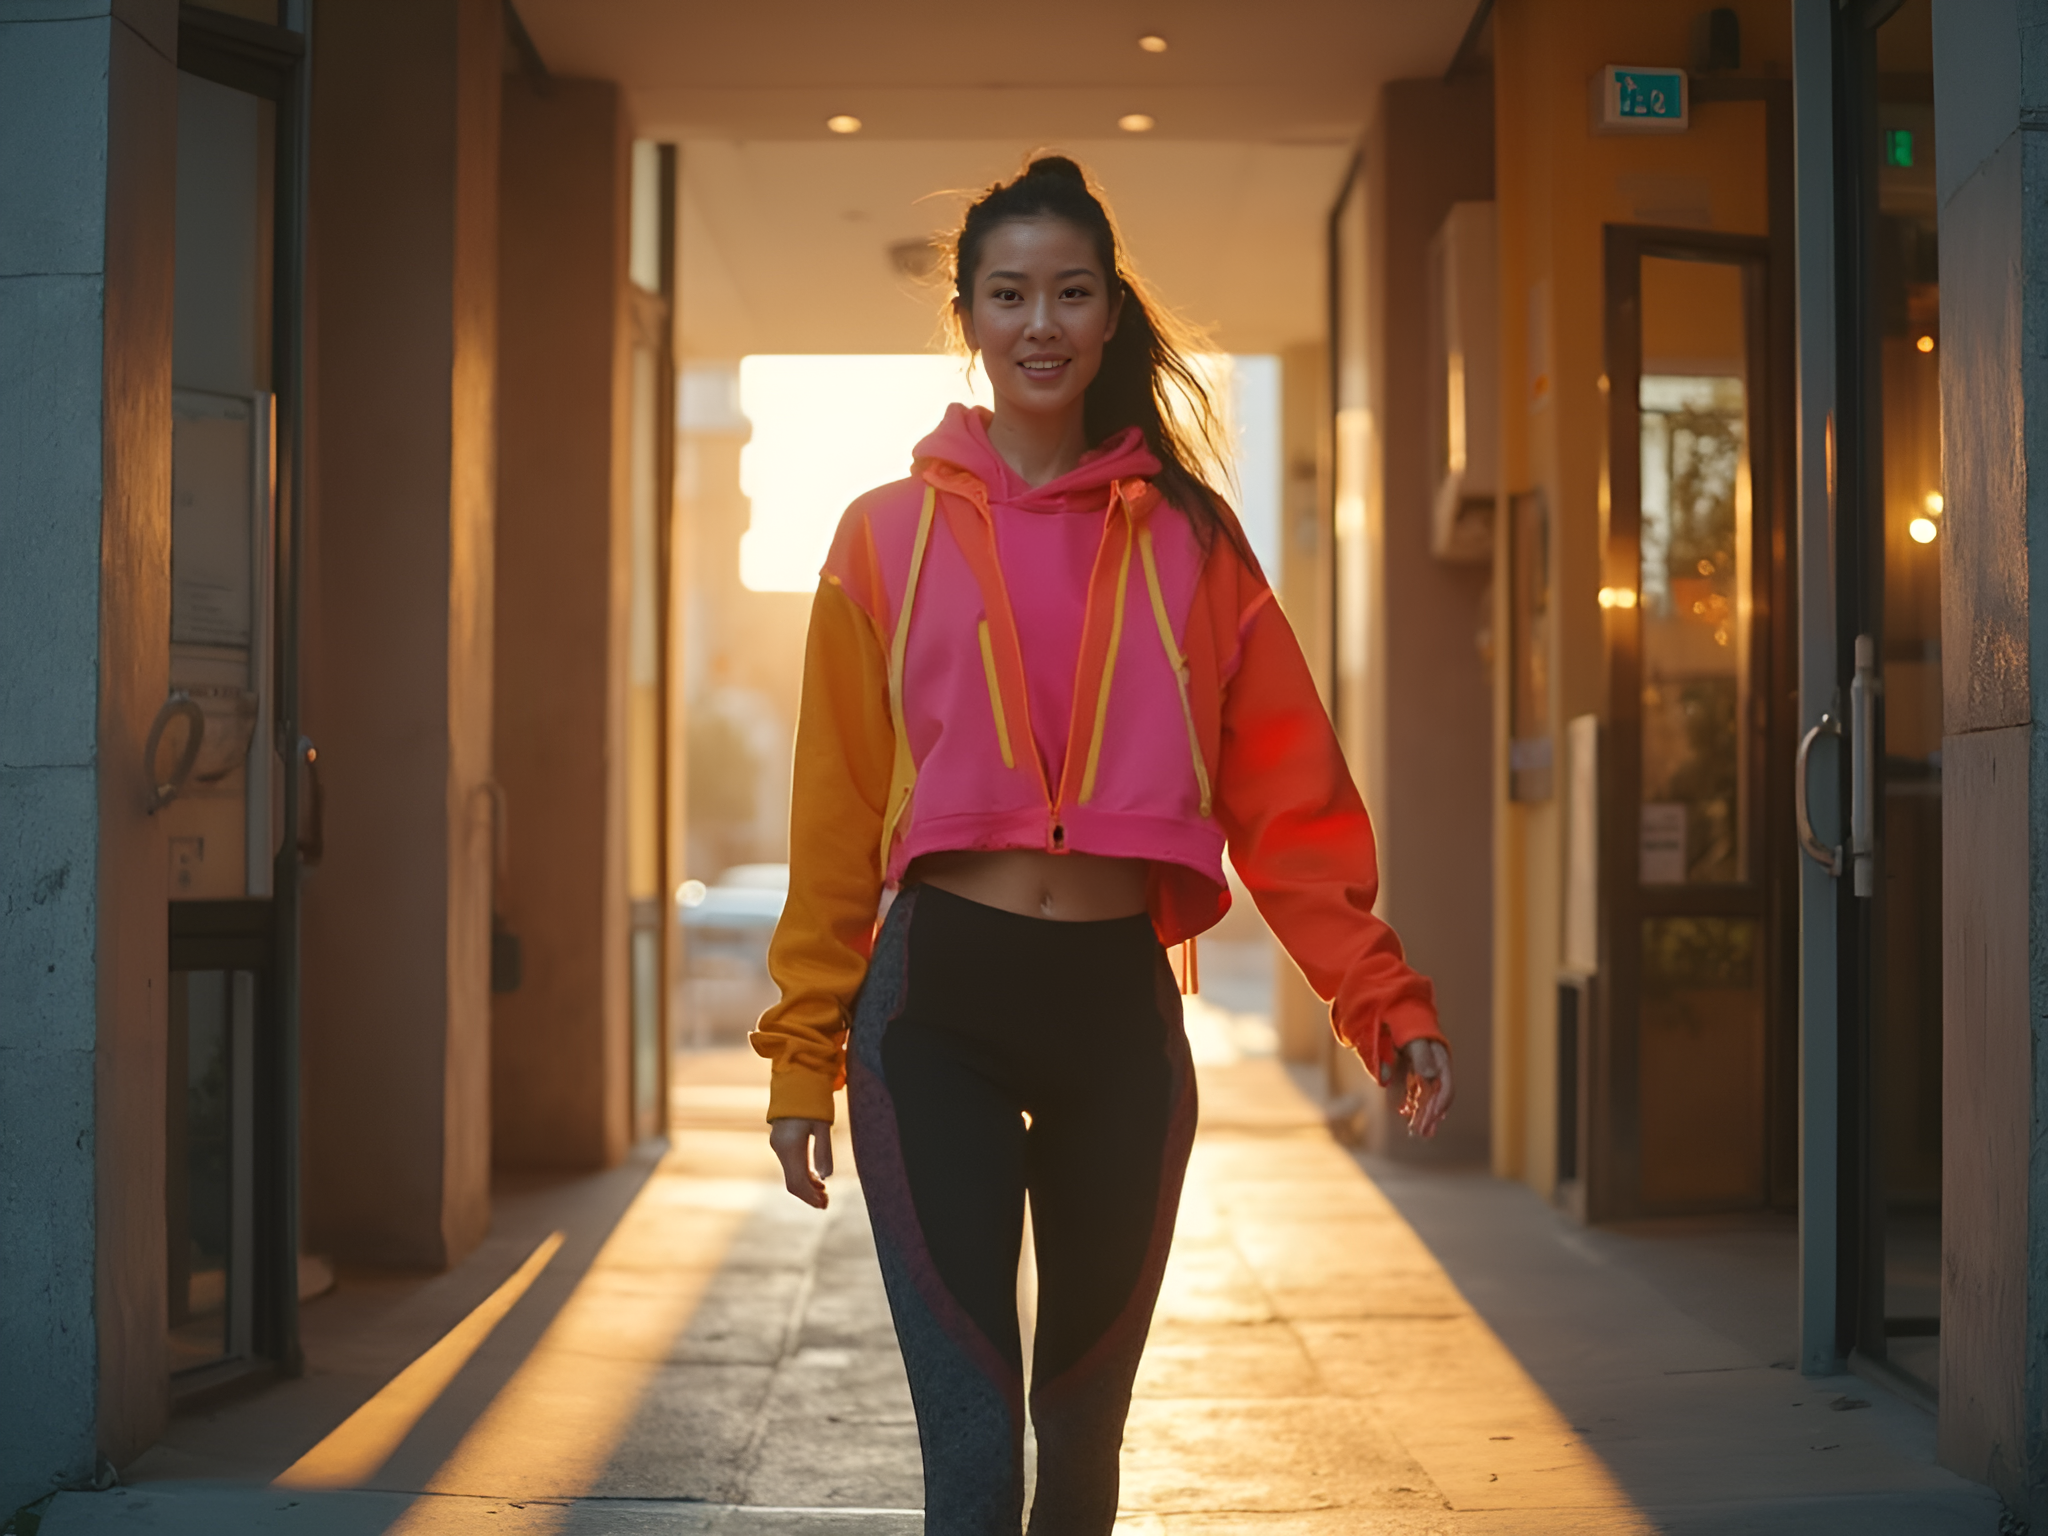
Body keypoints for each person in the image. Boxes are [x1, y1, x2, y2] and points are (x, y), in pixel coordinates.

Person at [751, 154, 1452, 1536]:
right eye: (1010, 294)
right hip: (932, 1008)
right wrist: (800, 1051)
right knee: (970, 1445)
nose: (1041, 323)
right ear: (968, 317)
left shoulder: (1193, 543)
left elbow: (1291, 803)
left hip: (1115, 1018)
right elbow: (836, 818)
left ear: (1110, 316)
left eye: (1071, 292)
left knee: (1079, 1442)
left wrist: (1380, 996)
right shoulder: (880, 540)